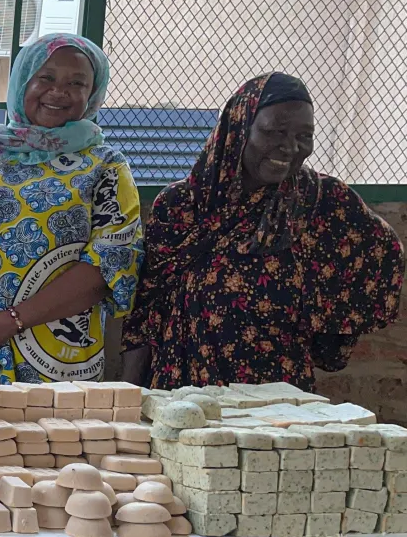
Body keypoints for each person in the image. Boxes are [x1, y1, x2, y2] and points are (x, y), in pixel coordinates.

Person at [122, 73, 404, 390]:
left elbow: (384, 252)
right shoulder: (181, 207)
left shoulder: (320, 202)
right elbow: (144, 314)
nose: (290, 147)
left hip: (279, 402)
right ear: (238, 128)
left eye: (305, 135)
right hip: (185, 394)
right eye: (275, 132)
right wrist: (129, 400)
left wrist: (332, 327)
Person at [0, 33, 143, 384]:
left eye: (77, 83)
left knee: (55, 439)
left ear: (92, 93)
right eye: (47, 78)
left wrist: (9, 322)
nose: (59, 91)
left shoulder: (106, 166)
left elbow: (108, 264)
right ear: (24, 79)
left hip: (55, 358)